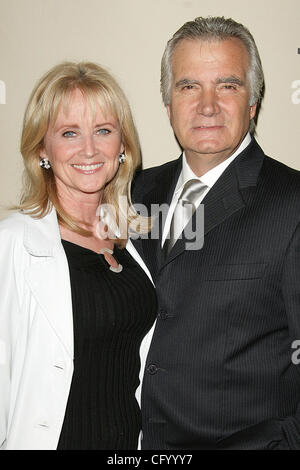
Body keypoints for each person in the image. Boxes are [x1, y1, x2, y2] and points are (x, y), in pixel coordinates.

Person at [131, 16, 300, 450]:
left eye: (227, 85)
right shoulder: (131, 192)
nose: (207, 105)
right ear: (168, 103)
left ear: (254, 103)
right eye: (188, 86)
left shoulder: (293, 203)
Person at [0, 61, 157, 450]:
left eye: (103, 130)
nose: (89, 149)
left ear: (122, 145)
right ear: (42, 149)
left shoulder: (133, 241)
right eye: (69, 133)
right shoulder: (14, 243)